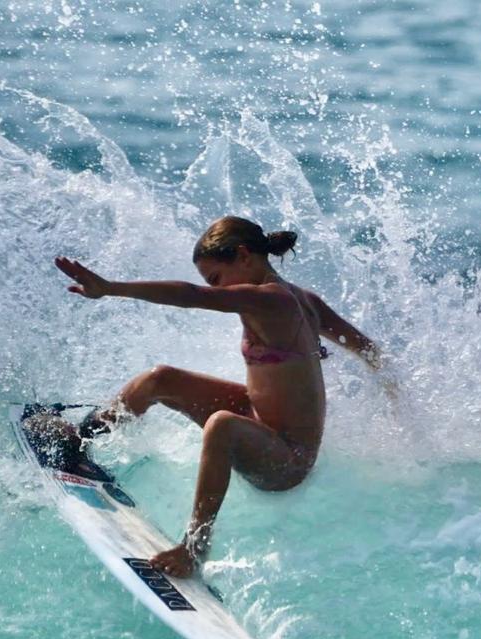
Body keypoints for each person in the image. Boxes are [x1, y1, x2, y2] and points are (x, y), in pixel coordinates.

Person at [54, 215, 383, 578]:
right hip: (261, 420)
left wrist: (111, 288)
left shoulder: (273, 299)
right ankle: (80, 438)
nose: (217, 289)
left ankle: (193, 548)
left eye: (216, 279)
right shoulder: (305, 300)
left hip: (286, 461)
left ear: (244, 256)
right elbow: (368, 350)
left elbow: (191, 296)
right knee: (161, 378)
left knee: (221, 425)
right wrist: (394, 396)